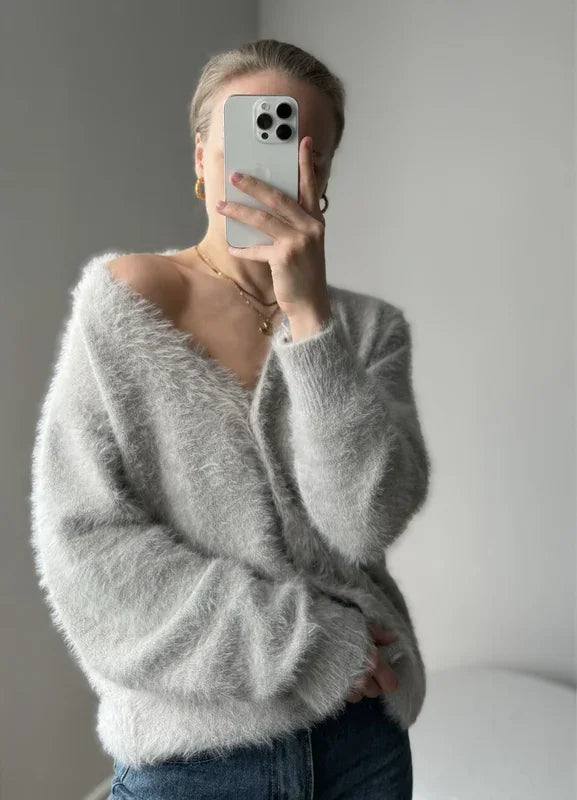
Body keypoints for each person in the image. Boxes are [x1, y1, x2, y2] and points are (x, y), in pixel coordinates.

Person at [30, 38, 430, 800]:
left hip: (362, 748)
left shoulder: (369, 331)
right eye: (251, 137)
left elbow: (362, 524)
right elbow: (85, 553)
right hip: (194, 757)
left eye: (304, 151)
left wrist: (309, 319)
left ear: (323, 177)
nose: (270, 169)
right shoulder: (129, 302)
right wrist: (310, 644)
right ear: (200, 159)